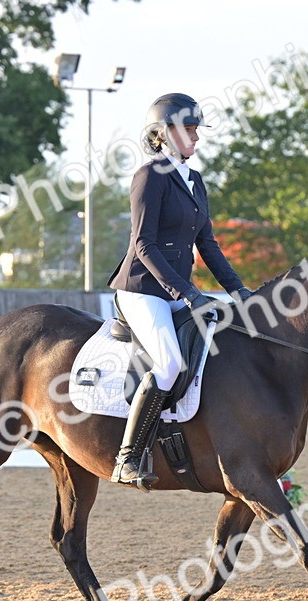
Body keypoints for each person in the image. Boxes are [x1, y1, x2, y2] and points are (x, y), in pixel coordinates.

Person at [106, 92, 252, 487]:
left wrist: (240, 291)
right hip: (142, 290)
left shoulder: (195, 181)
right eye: (189, 129)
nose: (196, 137)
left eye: (195, 129)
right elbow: (144, 245)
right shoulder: (149, 177)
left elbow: (208, 245)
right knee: (169, 364)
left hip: (174, 291)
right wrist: (186, 292)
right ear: (164, 133)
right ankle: (128, 458)